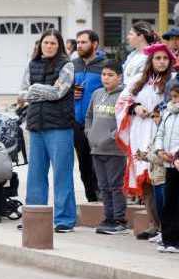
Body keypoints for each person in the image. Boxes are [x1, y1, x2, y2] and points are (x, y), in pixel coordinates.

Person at [17, 28, 77, 233]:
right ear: (40, 45)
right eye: (46, 43)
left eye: (53, 43)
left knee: (62, 174)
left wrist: (34, 90)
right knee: (35, 174)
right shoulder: (31, 64)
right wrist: (35, 92)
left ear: (59, 45)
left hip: (59, 127)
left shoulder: (67, 65)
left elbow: (59, 92)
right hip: (36, 126)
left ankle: (64, 220)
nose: (49, 46)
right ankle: (34, 217)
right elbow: (22, 93)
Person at [116, 42, 175, 241]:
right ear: (151, 60)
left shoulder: (173, 80)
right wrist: (135, 108)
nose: (161, 62)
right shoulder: (138, 80)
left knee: (164, 181)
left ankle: (167, 226)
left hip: (164, 134)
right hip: (141, 133)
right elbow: (122, 101)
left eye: (165, 58)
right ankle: (154, 224)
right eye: (157, 58)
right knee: (147, 182)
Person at [85, 60, 127, 234]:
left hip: (115, 150)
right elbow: (89, 116)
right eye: (104, 74)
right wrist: (89, 133)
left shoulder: (124, 96)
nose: (106, 78)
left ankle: (119, 219)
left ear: (119, 77)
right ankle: (108, 217)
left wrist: (113, 136)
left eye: (110, 75)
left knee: (115, 185)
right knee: (103, 186)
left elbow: (125, 122)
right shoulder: (96, 94)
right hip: (96, 148)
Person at [72, 29, 105, 203]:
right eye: (78, 42)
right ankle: (91, 199)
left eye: (84, 42)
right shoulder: (73, 64)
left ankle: (102, 198)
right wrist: (72, 93)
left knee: (98, 162)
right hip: (77, 122)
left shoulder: (104, 65)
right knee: (84, 164)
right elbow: (62, 88)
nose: (80, 45)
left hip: (99, 122)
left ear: (94, 44)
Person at [153, 78, 179, 253]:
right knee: (169, 202)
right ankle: (168, 238)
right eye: (172, 97)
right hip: (169, 164)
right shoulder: (168, 113)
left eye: (177, 97)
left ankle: (176, 241)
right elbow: (160, 133)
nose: (173, 100)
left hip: (177, 161)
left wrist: (176, 154)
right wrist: (160, 150)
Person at [123, 21, 157, 88]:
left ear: (141, 36)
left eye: (131, 34)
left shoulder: (150, 56)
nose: (127, 37)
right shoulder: (132, 54)